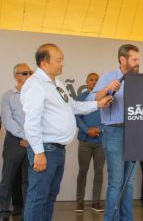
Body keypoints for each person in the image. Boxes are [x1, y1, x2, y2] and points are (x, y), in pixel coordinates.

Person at [20, 43, 112, 221]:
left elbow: (74, 106)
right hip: (45, 149)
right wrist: (38, 151)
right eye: (58, 60)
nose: (62, 63)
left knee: (49, 197)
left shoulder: (57, 83)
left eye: (62, 59)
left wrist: (98, 104)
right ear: (44, 63)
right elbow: (31, 121)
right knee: (38, 198)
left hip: (57, 150)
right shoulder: (35, 85)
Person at [89, 44, 140, 221]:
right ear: (122, 60)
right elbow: (91, 99)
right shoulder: (108, 77)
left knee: (130, 183)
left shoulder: (139, 79)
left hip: (135, 133)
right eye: (134, 59)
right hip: (114, 132)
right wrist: (107, 89)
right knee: (116, 183)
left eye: (138, 59)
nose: (137, 63)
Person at [0, 63, 32, 219]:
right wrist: (23, 136)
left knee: (28, 180)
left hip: (32, 142)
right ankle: (3, 211)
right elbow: (7, 120)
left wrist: (31, 138)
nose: (28, 75)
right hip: (14, 141)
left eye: (30, 72)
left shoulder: (36, 95)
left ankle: (27, 211)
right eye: (25, 73)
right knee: (8, 178)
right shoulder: (8, 95)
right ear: (16, 76)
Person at [74, 73, 105, 212]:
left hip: (101, 141)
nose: (94, 82)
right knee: (83, 171)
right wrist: (87, 130)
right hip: (85, 141)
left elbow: (109, 118)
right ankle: (80, 202)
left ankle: (95, 202)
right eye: (91, 79)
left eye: (96, 80)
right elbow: (76, 117)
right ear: (86, 81)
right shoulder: (81, 98)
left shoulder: (104, 98)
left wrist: (99, 129)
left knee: (99, 171)